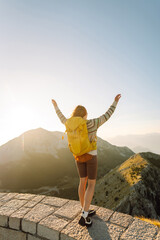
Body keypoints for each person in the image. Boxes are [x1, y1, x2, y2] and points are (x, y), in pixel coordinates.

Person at [52, 94, 121, 227]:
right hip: (91, 157)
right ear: (84, 114)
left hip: (78, 156)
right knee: (91, 184)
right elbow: (107, 115)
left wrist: (55, 106)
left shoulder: (69, 123)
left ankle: (84, 209)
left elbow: (60, 116)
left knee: (82, 182)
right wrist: (115, 102)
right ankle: (84, 215)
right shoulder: (92, 123)